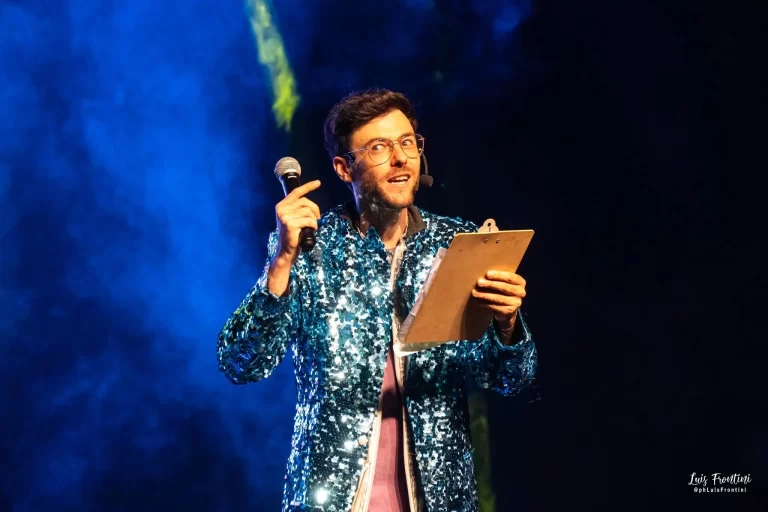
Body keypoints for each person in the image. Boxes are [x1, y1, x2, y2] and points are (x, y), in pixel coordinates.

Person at [217, 89, 538, 512]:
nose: (401, 158)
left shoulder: (453, 243)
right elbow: (241, 363)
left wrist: (507, 324)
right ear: (343, 168)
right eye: (379, 147)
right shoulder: (312, 250)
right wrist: (281, 262)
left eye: (407, 142)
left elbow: (510, 379)